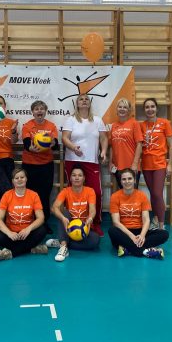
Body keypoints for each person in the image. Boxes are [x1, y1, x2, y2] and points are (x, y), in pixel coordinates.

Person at [62, 94, 108, 236]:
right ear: (77, 103)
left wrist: (104, 151)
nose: (84, 101)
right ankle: (71, 222)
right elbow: (64, 138)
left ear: (89, 103)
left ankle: (95, 223)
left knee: (96, 193)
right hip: (73, 160)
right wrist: (73, 147)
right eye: (81, 99)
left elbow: (104, 138)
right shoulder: (70, 120)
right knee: (72, 193)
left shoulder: (98, 120)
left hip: (91, 161)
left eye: (86, 99)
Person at [108, 168, 169, 259]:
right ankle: (145, 251)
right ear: (120, 181)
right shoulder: (115, 196)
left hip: (139, 231)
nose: (127, 181)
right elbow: (116, 222)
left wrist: (142, 235)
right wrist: (132, 236)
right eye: (124, 179)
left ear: (134, 180)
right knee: (112, 230)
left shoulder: (142, 195)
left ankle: (128, 249)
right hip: (124, 232)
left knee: (164, 234)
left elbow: (146, 220)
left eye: (130, 178)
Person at [47, 165, 100, 262]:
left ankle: (62, 241)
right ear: (70, 178)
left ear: (84, 178)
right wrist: (63, 218)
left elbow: (92, 210)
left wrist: (90, 218)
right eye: (74, 175)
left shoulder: (90, 191)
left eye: (80, 175)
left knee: (95, 240)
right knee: (64, 213)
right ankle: (63, 247)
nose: (76, 178)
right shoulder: (65, 191)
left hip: (83, 228)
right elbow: (54, 207)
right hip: (69, 225)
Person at [0, 168, 48, 261]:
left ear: (26, 179)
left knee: (43, 230)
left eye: (22, 177)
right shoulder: (6, 195)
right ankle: (31, 248)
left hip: (27, 234)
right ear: (12, 181)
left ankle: (12, 252)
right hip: (12, 234)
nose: (19, 180)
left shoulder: (34, 195)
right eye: (16, 178)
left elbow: (41, 218)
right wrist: (9, 233)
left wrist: (28, 229)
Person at [22, 100, 59, 234]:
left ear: (45, 111)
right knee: (30, 195)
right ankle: (30, 221)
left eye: (42, 109)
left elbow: (55, 145)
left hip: (46, 165)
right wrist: (31, 148)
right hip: (29, 165)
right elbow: (26, 143)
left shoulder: (51, 126)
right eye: (36, 109)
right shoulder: (27, 126)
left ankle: (44, 222)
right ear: (33, 112)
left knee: (44, 195)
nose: (39, 111)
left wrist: (52, 144)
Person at [139, 97, 172, 230]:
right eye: (147, 107)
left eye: (152, 106)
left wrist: (170, 164)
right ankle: (155, 219)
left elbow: (171, 145)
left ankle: (161, 224)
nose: (150, 109)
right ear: (144, 110)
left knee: (158, 194)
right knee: (153, 194)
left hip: (160, 164)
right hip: (146, 165)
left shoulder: (165, 123)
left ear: (157, 108)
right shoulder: (141, 125)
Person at [108, 97, 143, 189]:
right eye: (120, 107)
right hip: (117, 166)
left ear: (129, 110)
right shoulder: (113, 126)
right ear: (117, 109)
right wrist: (110, 162)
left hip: (131, 166)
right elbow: (111, 146)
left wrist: (135, 164)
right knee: (122, 192)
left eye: (125, 107)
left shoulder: (134, 123)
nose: (122, 109)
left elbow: (139, 144)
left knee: (132, 193)